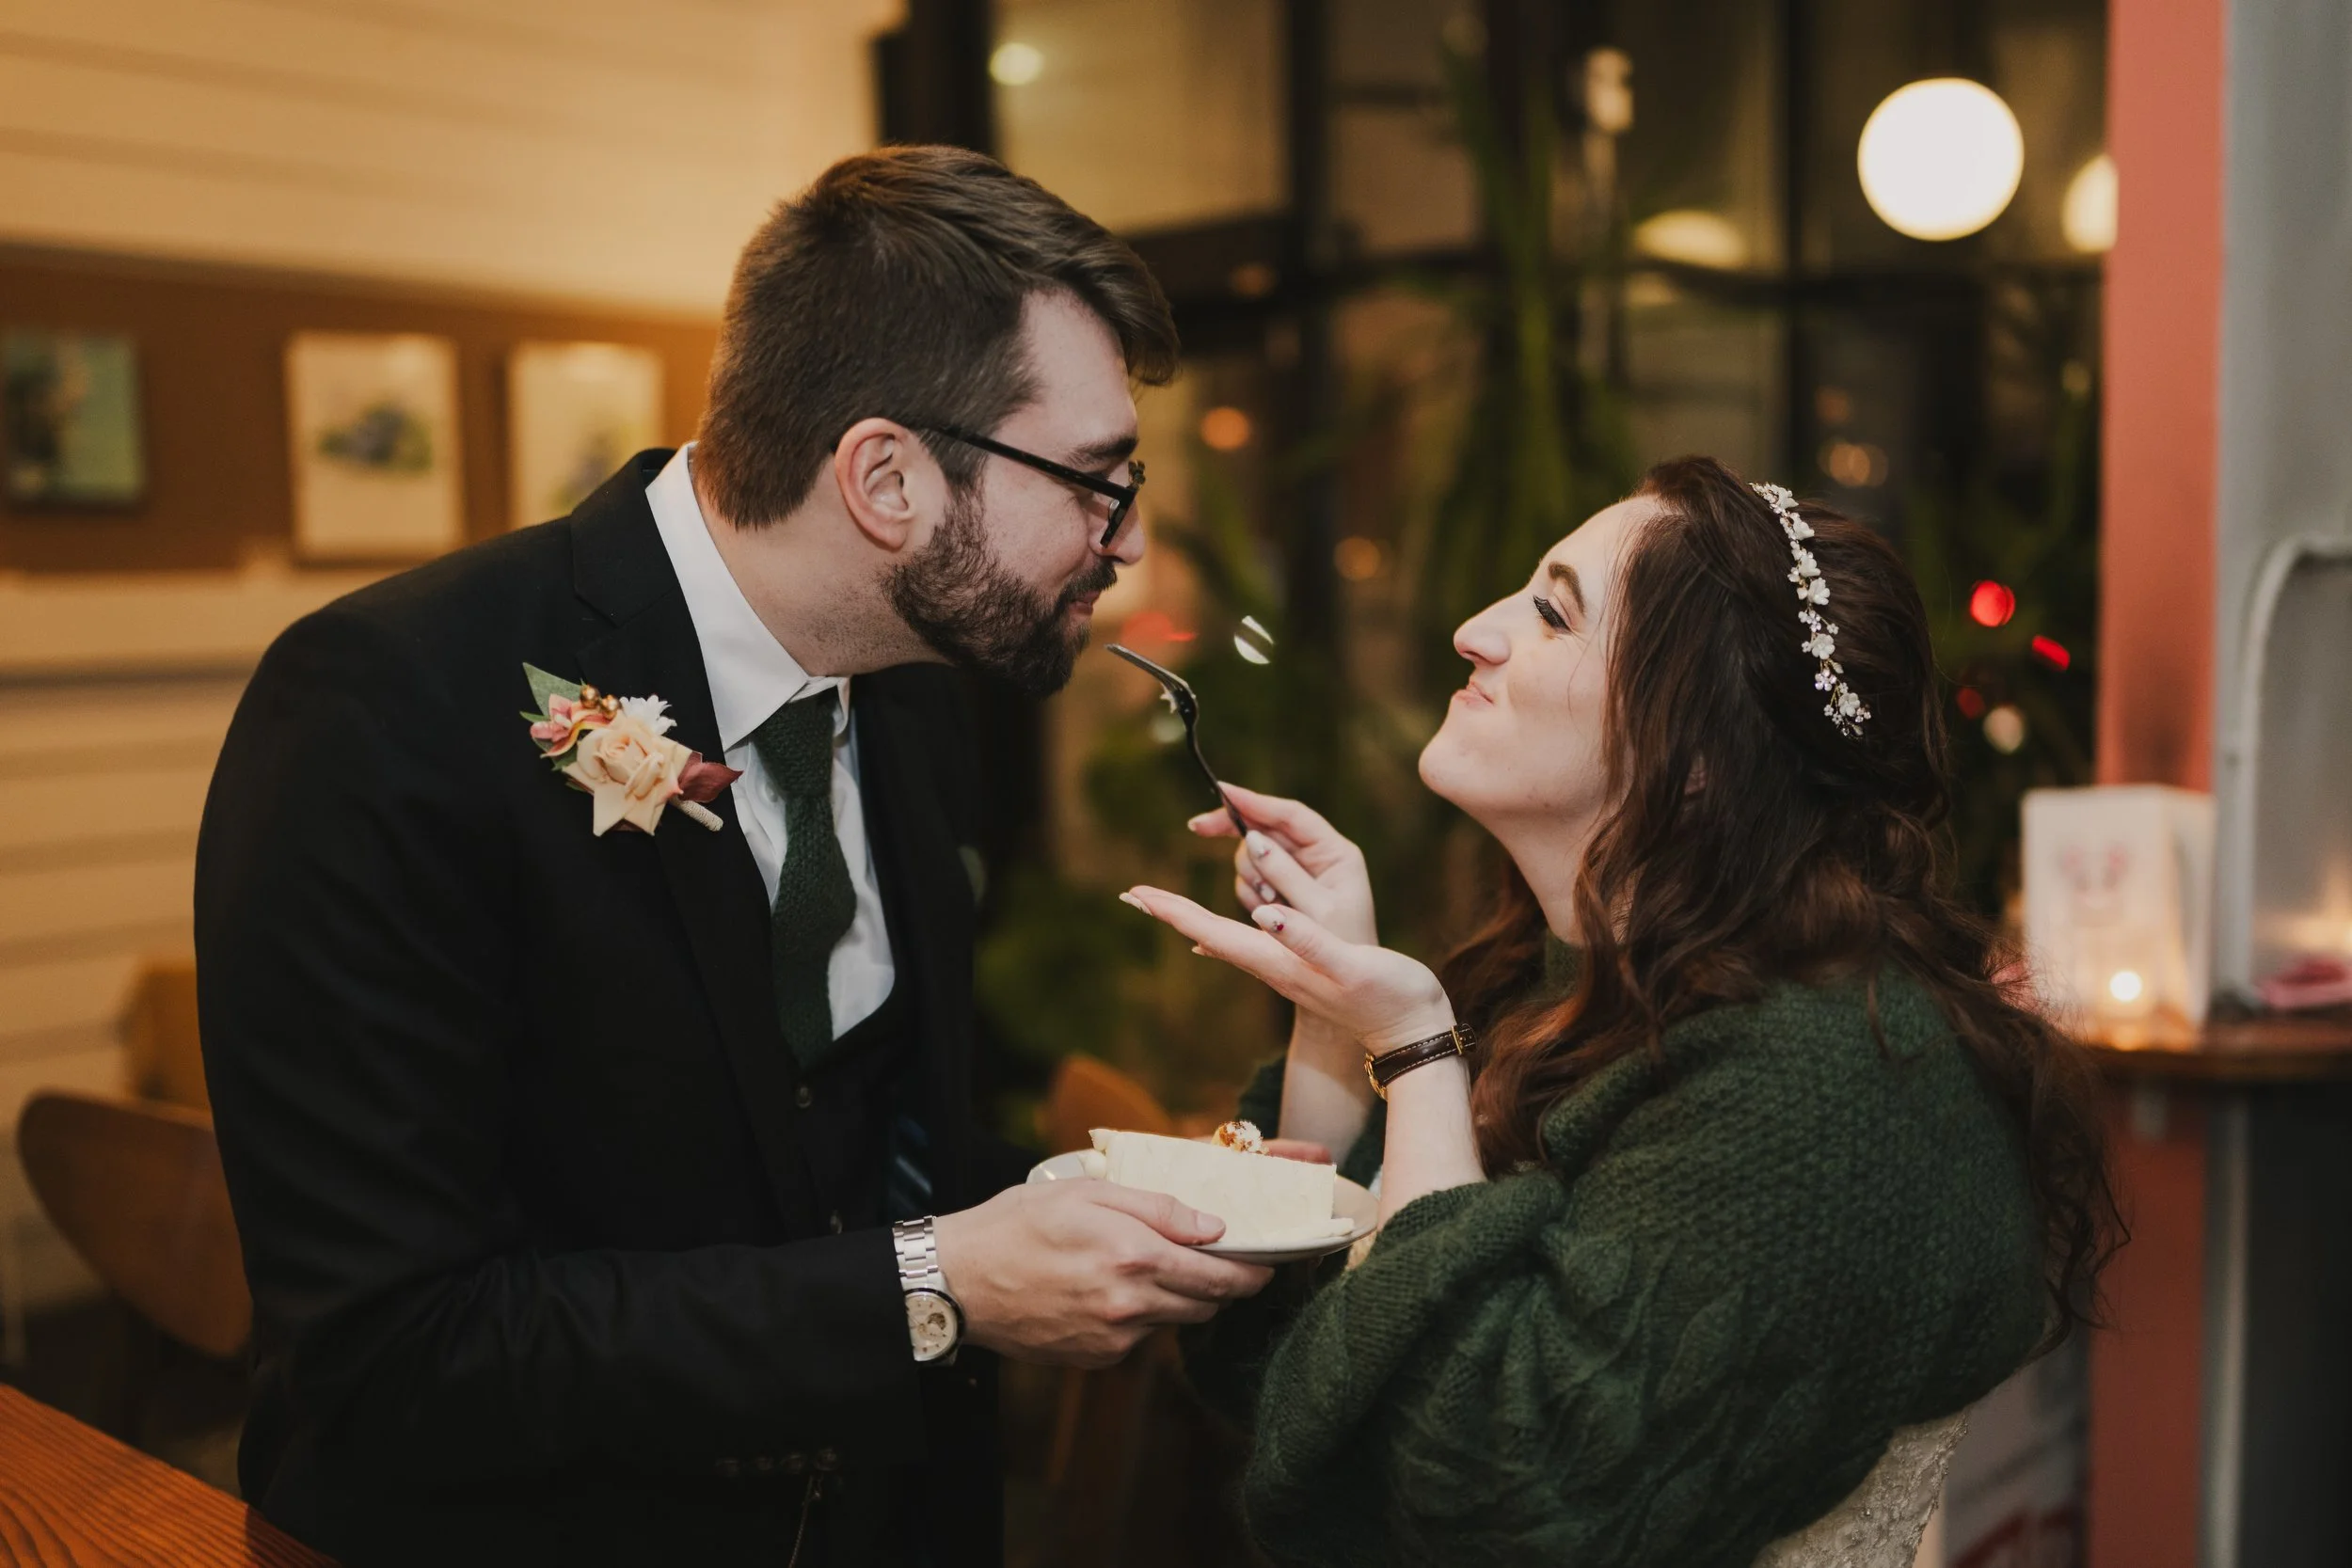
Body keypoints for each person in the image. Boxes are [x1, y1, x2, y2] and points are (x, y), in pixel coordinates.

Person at [196, 146, 1271, 1568]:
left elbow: (859, 1145)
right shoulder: (387, 710)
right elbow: (398, 1355)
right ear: (885, 477)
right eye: (1092, 479)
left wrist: (1145, 1197)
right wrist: (931, 1286)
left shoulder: (923, 701)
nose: (1123, 540)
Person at [1122, 456, 2120, 1567]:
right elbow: (1282, 1369)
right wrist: (1332, 1005)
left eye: (1551, 613)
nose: (1473, 629)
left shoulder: (1829, 1081)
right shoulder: (1552, 976)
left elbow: (1496, 1505)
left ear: (1693, 753)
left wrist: (1411, 1049)